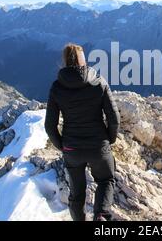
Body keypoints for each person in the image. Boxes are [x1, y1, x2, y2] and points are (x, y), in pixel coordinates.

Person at [44, 43, 120, 221]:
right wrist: (110, 138)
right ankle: (101, 215)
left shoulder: (56, 87)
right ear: (83, 60)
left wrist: (62, 145)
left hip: (72, 149)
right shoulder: (98, 82)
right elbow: (113, 117)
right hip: (98, 145)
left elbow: (50, 125)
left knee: (77, 193)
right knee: (105, 181)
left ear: (64, 61)